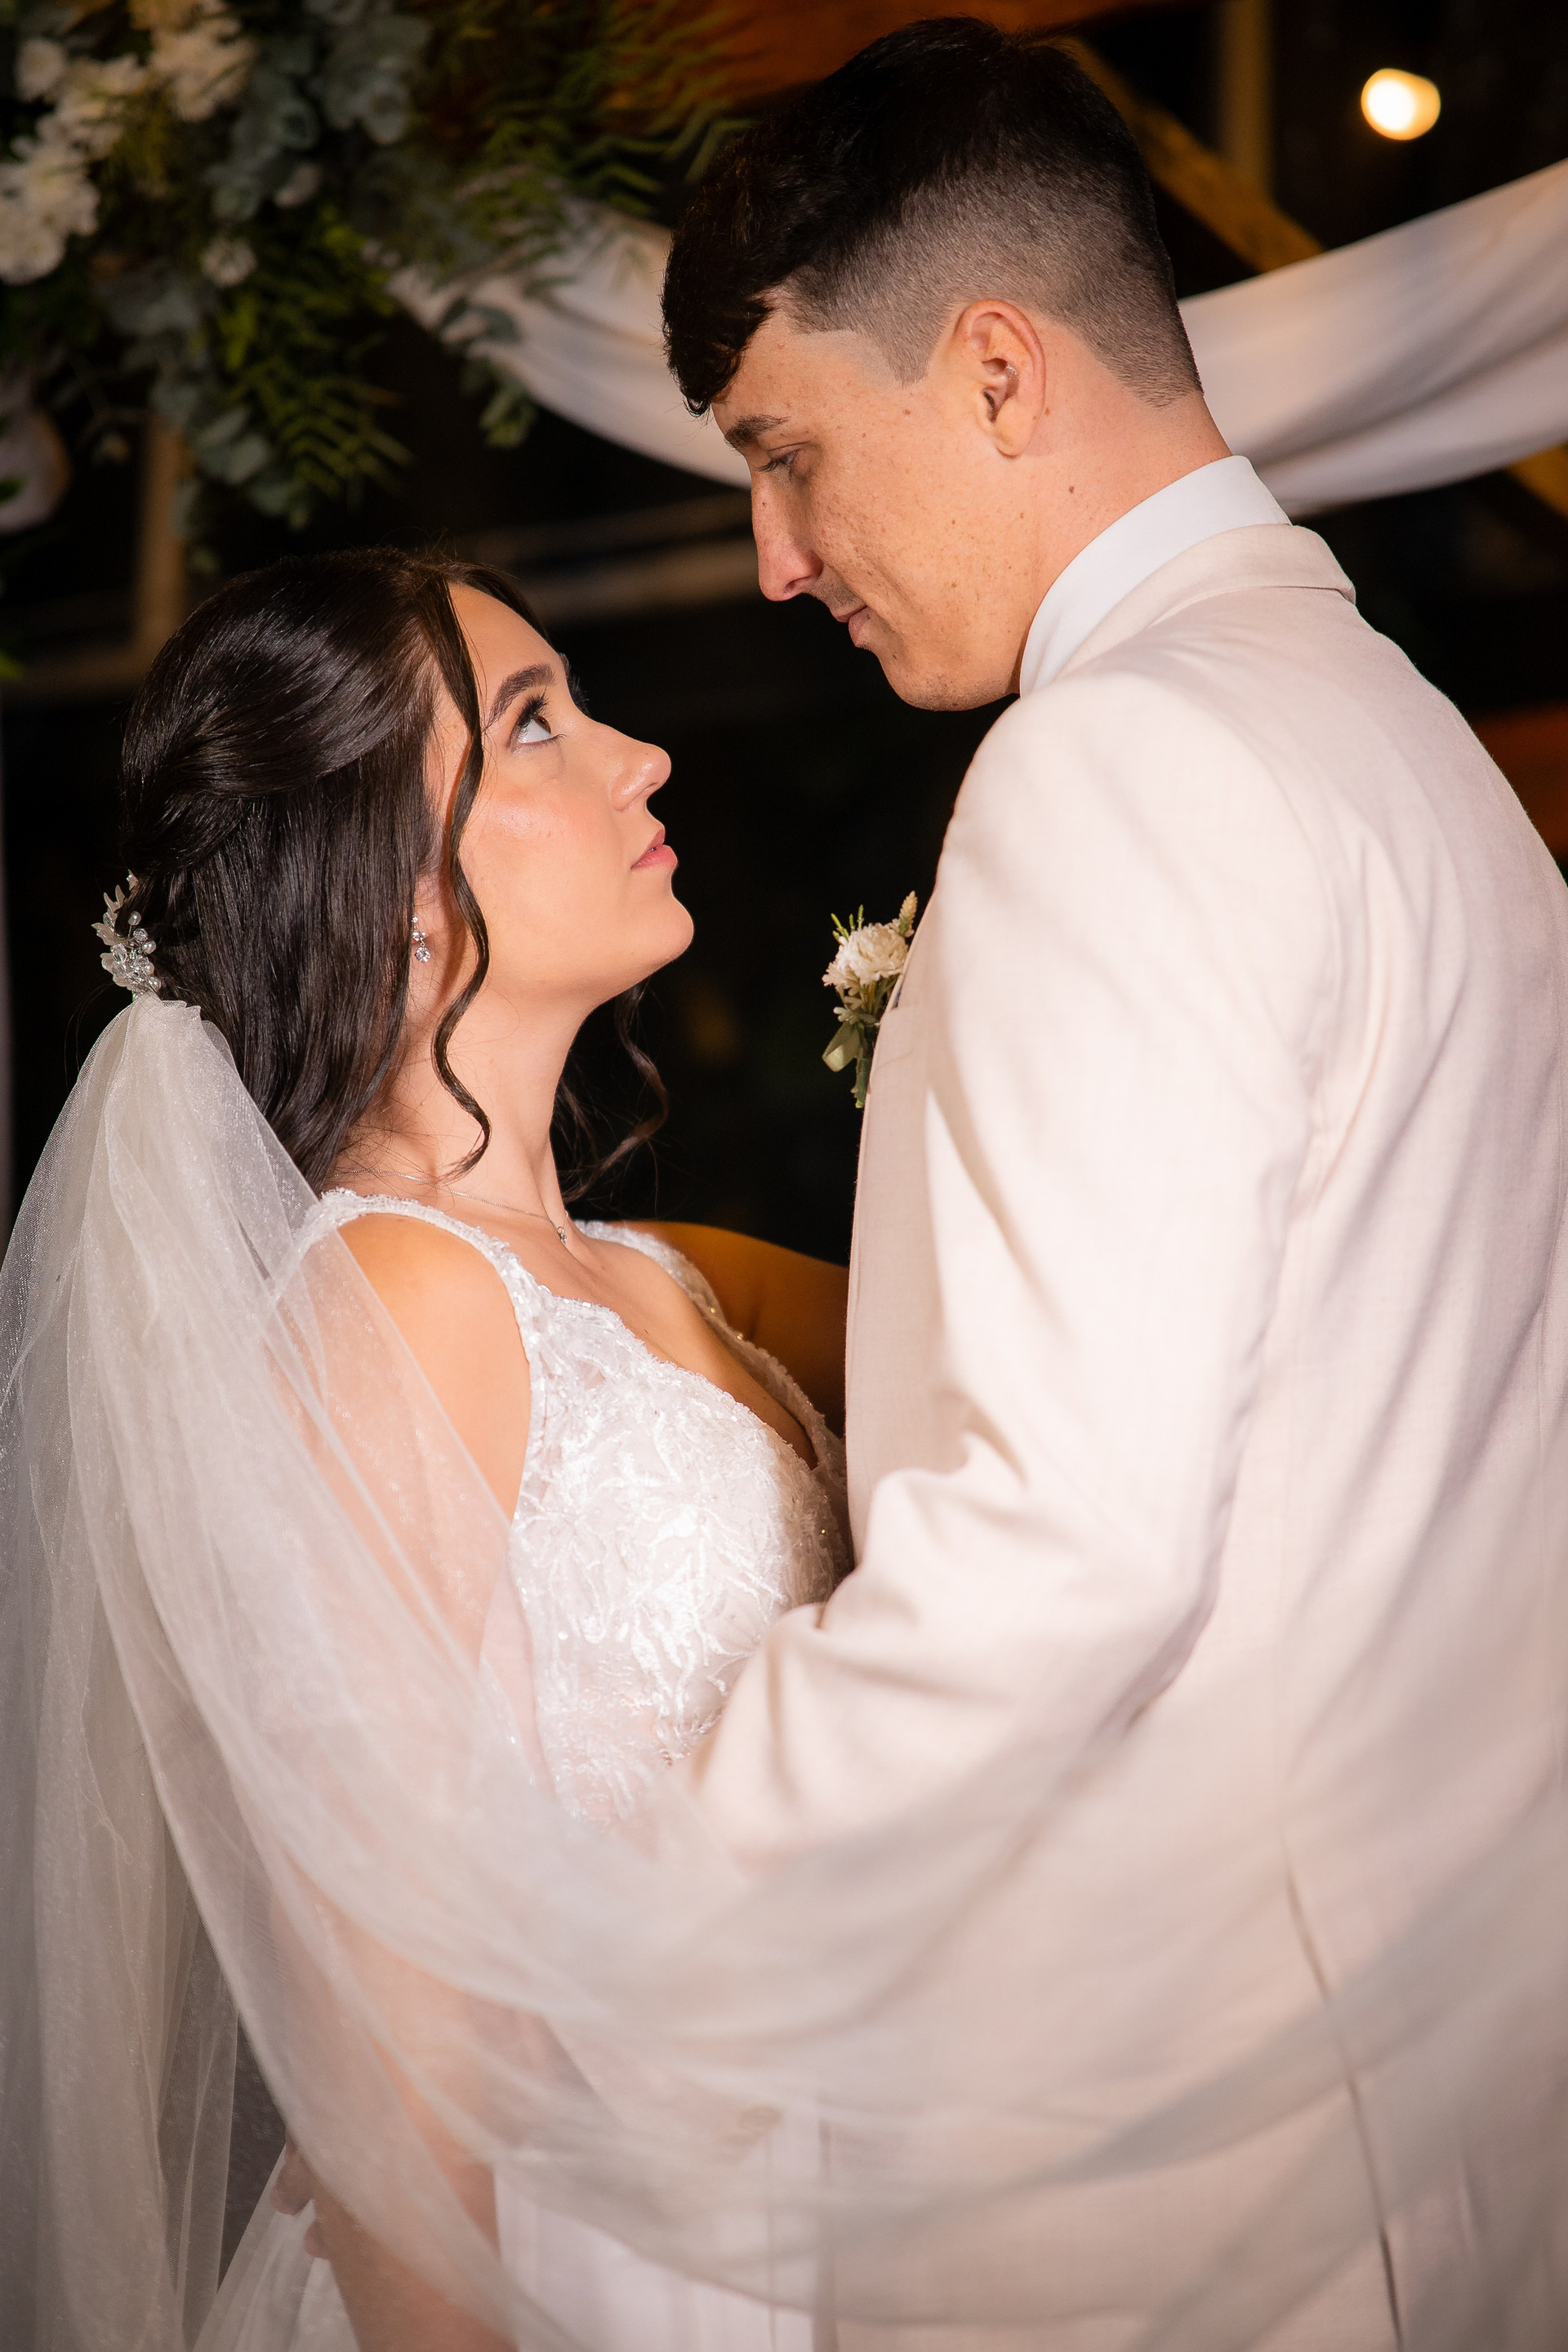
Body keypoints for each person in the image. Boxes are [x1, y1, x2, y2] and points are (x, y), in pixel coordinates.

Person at [657, 19, 1568, 2349]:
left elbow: (1062, 1547)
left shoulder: (1118, 770)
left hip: (1163, 2167)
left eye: (786, 456)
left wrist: (642, 1904)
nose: (776, 563)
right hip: (1443, 2098)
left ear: (993, 369)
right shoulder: (1411, 752)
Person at [0, 546, 853, 2352]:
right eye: (535, 725)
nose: (641, 758)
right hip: (562, 2263)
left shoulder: (656, 1276)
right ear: (386, 885)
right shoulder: (395, 1302)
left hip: (779, 2209)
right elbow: (385, 2035)